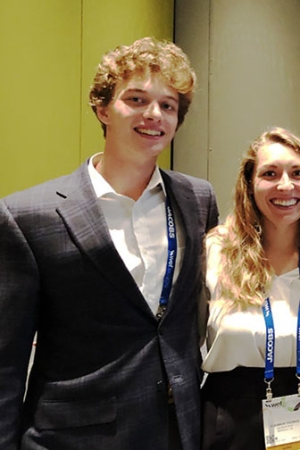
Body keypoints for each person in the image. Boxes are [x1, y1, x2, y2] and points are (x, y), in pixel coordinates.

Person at [0, 37, 219, 449]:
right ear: (102, 109)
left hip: (178, 429)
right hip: (74, 437)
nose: (153, 114)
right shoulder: (28, 215)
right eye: (136, 99)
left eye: (168, 105)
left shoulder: (198, 199)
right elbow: (6, 361)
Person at [200, 127, 300, 450]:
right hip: (230, 418)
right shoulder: (216, 252)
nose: (285, 185)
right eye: (270, 173)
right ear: (249, 184)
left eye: (297, 173)